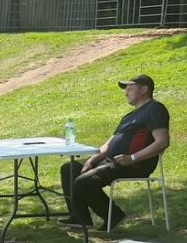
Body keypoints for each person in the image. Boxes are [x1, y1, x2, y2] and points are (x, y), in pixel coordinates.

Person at [59, 74, 170, 231]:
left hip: (134, 164)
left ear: (144, 89)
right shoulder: (129, 116)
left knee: (84, 181)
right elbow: (110, 143)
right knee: (70, 169)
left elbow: (162, 141)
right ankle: (79, 218)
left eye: (130, 89)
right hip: (113, 160)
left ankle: (113, 215)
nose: (126, 92)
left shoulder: (155, 109)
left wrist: (132, 158)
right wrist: (92, 160)